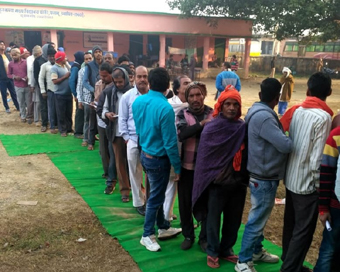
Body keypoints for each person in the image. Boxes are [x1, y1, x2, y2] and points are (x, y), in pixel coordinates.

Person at [235, 78, 293, 272]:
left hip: (261, 174)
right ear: (277, 98)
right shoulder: (265, 118)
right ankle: (243, 261)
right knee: (256, 220)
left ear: (260, 95)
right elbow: (285, 145)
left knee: (259, 217)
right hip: (264, 176)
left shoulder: (255, 111)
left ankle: (256, 250)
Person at [279, 72, 333, 272]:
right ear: (329, 92)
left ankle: (290, 262)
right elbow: (317, 159)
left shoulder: (297, 110)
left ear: (308, 90)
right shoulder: (324, 117)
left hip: (292, 178)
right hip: (307, 185)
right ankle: (290, 268)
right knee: (303, 232)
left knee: (290, 226)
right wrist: (320, 188)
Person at [192, 85, 248, 268]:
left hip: (238, 183)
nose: (231, 108)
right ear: (221, 106)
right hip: (217, 184)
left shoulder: (242, 127)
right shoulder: (211, 128)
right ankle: (213, 251)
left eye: (235, 105)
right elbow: (204, 160)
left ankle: (226, 250)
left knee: (234, 219)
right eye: (228, 104)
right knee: (213, 219)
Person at [132, 67, 182, 252]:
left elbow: (138, 129)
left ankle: (162, 226)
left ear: (150, 83)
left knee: (157, 193)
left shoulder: (138, 102)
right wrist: (177, 167)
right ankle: (147, 234)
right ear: (168, 86)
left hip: (145, 153)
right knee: (155, 198)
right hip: (158, 159)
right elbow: (170, 143)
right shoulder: (165, 108)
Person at [176, 82, 213, 251]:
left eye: (198, 95)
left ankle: (204, 239)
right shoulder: (182, 114)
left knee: (206, 203)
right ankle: (188, 235)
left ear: (204, 95)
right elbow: (182, 134)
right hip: (187, 167)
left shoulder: (213, 113)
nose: (195, 99)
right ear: (187, 98)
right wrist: (201, 125)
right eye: (191, 96)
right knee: (184, 203)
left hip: (206, 169)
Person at [118, 66, 149, 215]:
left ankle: (151, 201)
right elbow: (122, 119)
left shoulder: (153, 95)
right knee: (135, 171)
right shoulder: (127, 96)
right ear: (133, 78)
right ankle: (138, 202)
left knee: (151, 173)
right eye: (139, 76)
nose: (142, 79)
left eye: (145, 76)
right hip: (133, 139)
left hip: (150, 140)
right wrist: (127, 139)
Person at [100, 67, 131, 199]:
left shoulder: (133, 93)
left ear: (126, 79)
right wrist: (107, 114)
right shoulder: (109, 92)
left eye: (120, 82)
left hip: (131, 134)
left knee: (134, 163)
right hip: (116, 133)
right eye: (116, 82)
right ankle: (125, 191)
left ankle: (138, 189)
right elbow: (103, 109)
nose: (118, 85)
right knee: (119, 163)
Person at [313, 126, 340, 272]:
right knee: (329, 248)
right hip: (336, 206)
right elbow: (326, 173)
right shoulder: (337, 135)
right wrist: (323, 207)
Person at [94, 62, 117, 186]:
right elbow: (97, 100)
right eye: (101, 76)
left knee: (112, 149)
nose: (102, 78)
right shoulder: (98, 84)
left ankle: (113, 173)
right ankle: (107, 172)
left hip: (112, 122)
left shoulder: (116, 86)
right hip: (101, 121)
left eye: (105, 76)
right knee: (103, 149)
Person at [83, 45, 104, 150]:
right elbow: (85, 81)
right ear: (93, 54)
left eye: (100, 51)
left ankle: (103, 143)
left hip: (105, 96)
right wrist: (94, 90)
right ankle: (91, 142)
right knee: (92, 120)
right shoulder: (89, 66)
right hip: (93, 97)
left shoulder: (106, 65)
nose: (98, 53)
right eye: (96, 52)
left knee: (104, 119)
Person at [51, 51, 72, 137]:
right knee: (61, 113)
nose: (66, 58)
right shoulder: (54, 68)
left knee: (68, 112)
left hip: (68, 93)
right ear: (61, 59)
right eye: (64, 57)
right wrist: (65, 77)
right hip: (60, 94)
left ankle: (69, 128)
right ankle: (63, 130)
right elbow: (54, 81)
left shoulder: (65, 66)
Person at [38, 47, 58, 134]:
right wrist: (43, 90)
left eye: (53, 56)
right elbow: (41, 78)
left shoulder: (60, 64)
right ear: (47, 56)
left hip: (60, 91)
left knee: (59, 109)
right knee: (51, 109)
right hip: (50, 90)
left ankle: (59, 125)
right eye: (50, 56)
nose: (52, 57)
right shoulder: (44, 66)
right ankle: (51, 126)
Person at [7, 48, 30, 122]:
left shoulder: (26, 62)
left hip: (26, 85)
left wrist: (27, 76)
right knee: (21, 102)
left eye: (15, 55)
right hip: (18, 86)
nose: (14, 57)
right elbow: (9, 74)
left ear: (19, 54)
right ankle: (23, 116)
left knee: (29, 102)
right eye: (12, 55)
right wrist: (14, 77)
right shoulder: (10, 64)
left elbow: (29, 71)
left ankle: (29, 116)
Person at [77, 52, 93, 146]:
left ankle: (92, 138)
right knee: (87, 119)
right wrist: (80, 100)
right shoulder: (82, 71)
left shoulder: (96, 69)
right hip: (86, 99)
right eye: (86, 59)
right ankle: (86, 139)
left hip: (95, 99)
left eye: (90, 58)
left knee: (95, 121)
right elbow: (79, 86)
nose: (88, 60)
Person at [0, 40, 20, 114]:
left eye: (3, 44)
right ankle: (7, 107)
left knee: (13, 93)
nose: (3, 46)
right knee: (4, 93)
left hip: (10, 77)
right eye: (1, 44)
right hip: (2, 79)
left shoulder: (7, 55)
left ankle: (17, 106)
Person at [34, 44, 50, 132]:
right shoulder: (38, 60)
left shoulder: (53, 59)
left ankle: (53, 123)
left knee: (52, 106)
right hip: (42, 87)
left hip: (52, 87)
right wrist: (41, 88)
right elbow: (36, 76)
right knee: (43, 106)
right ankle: (44, 124)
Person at [69, 51, 85, 138]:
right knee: (79, 112)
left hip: (79, 93)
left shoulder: (79, 65)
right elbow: (72, 81)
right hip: (78, 93)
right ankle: (78, 132)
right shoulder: (76, 67)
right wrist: (75, 94)